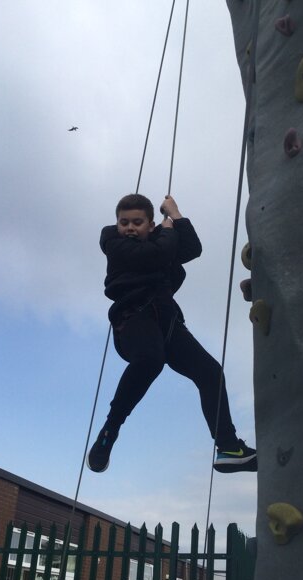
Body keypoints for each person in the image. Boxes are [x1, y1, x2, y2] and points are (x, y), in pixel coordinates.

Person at [87, 193, 257, 474]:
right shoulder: (114, 243)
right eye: (124, 222)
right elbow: (157, 255)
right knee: (150, 359)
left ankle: (228, 447)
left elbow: (192, 249)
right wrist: (167, 232)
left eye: (137, 222)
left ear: (150, 225)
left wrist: (176, 215)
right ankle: (110, 429)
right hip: (133, 319)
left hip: (167, 323)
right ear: (116, 225)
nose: (130, 228)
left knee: (210, 372)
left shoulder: (159, 240)